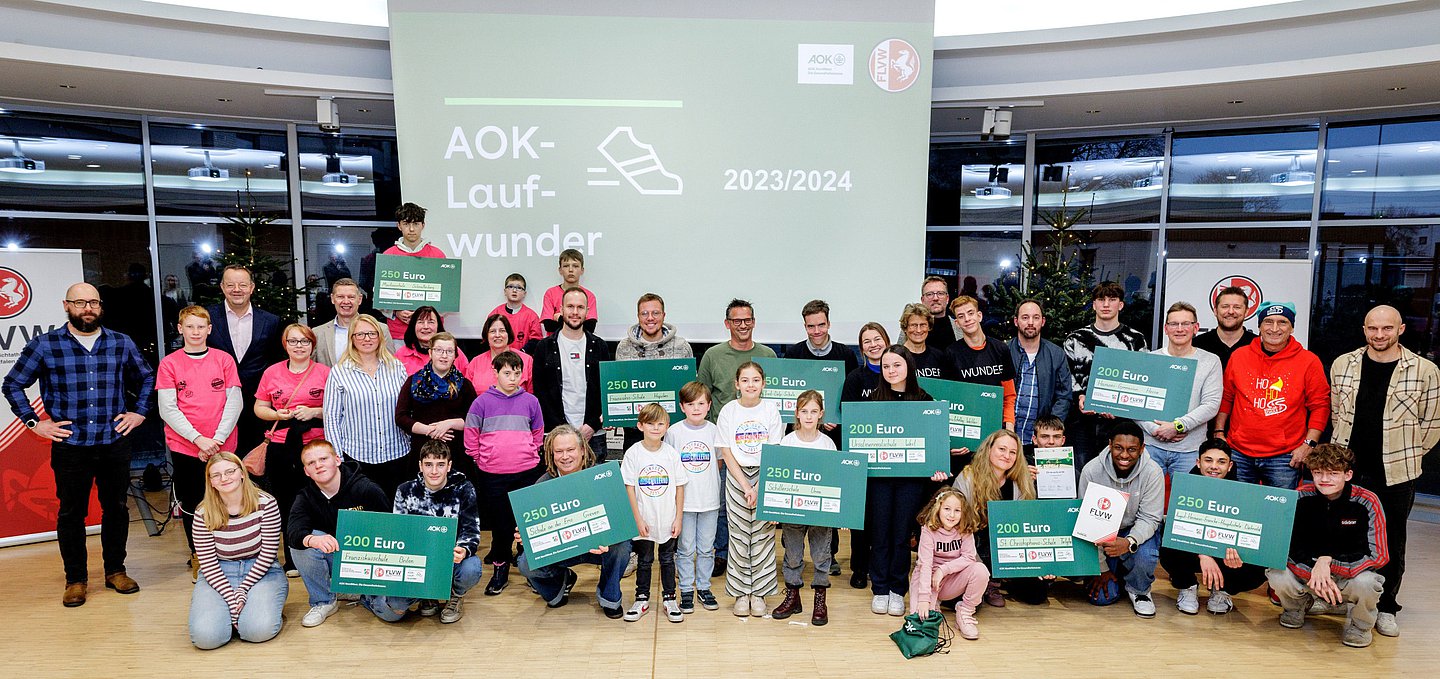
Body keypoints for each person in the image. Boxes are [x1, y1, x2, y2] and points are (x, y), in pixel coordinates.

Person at [3, 282, 153, 606]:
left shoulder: (120, 343)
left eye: (94, 303)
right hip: (71, 445)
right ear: (66, 305)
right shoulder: (46, 345)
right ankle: (76, 579)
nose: (88, 308)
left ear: (100, 307)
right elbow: (13, 384)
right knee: (72, 513)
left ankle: (116, 570)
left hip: (114, 442)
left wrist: (139, 412)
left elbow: (147, 378)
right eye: (80, 302)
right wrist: (34, 423)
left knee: (116, 509)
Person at [1328, 304, 1439, 636]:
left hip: (1397, 473)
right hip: (1348, 469)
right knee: (1342, 531)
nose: (1379, 335)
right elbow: (1337, 414)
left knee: (1391, 541)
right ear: (1364, 329)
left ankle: (1386, 607)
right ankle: (1337, 596)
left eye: (1387, 329)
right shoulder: (1343, 364)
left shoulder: (1425, 370)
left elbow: (1432, 424)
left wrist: (1406, 454)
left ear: (1400, 329)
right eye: (1373, 329)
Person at [1267, 443, 1389, 648]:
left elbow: (1379, 555)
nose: (1324, 480)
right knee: (1277, 572)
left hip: (1349, 574)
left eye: (1333, 473)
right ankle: (1296, 607)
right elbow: (1286, 547)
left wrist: (1329, 564)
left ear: (1348, 475)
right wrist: (1315, 569)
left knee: (1368, 582)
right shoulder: (1300, 497)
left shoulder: (1368, 501)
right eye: (1318, 473)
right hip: (1309, 573)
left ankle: (1360, 626)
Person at [157, 305, 243, 577]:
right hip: (186, 447)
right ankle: (200, 557)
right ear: (180, 329)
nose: (195, 332)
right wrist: (197, 439)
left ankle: (232, 552)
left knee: (229, 498)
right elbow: (168, 408)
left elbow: (235, 401)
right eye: (189, 327)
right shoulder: (169, 364)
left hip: (223, 446)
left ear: (209, 329)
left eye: (200, 327)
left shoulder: (223, 360)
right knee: (194, 501)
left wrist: (216, 439)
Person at [867, 345, 951, 617]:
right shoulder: (872, 402)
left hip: (911, 481)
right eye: (886, 366)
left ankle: (896, 590)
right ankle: (879, 588)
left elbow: (935, 445)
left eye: (897, 365)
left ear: (908, 367)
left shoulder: (925, 401)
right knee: (880, 534)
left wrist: (937, 468)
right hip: (879, 478)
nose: (891, 370)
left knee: (902, 536)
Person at [517, 426, 633, 618]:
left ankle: (609, 596)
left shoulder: (603, 477)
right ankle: (558, 586)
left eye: (570, 450)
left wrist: (607, 536)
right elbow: (536, 530)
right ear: (551, 454)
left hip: (600, 547)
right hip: (563, 550)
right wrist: (527, 537)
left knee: (621, 546)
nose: (565, 456)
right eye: (559, 451)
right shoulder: (541, 486)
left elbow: (620, 520)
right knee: (526, 562)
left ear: (582, 450)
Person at [362, 440, 483, 624]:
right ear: (420, 466)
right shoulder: (405, 490)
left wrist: (464, 549)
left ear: (449, 466)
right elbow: (399, 533)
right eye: (428, 465)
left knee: (472, 568)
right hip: (417, 563)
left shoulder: (464, 489)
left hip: (450, 560)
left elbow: (471, 530)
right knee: (394, 607)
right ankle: (426, 595)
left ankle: (455, 596)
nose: (434, 471)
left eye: (440, 464)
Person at [1215, 302, 1330, 490]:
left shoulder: (1308, 361)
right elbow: (1227, 397)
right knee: (1238, 511)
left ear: (1291, 327)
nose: (1274, 328)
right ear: (1259, 326)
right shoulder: (1239, 356)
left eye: (1282, 322)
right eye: (1268, 322)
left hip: (1284, 457)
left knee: (1279, 514)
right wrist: (1219, 433)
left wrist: (1309, 444)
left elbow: (1320, 405)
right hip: (1239, 452)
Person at [464, 349, 545, 596]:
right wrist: (481, 459)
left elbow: (538, 432)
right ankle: (500, 569)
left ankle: (531, 568)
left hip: (527, 472)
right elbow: (471, 434)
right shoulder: (481, 402)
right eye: (507, 373)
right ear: (495, 373)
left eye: (517, 373)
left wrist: (531, 451)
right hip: (493, 474)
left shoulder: (531, 401)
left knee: (527, 523)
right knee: (501, 525)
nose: (512, 378)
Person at [187, 451, 286, 649]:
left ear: (242, 473)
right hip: (218, 572)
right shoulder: (202, 512)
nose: (224, 478)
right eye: (216, 475)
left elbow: (268, 554)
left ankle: (256, 610)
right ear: (211, 482)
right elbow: (207, 564)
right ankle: (234, 613)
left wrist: (242, 589)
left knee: (257, 631)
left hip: (261, 570)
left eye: (230, 471)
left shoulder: (266, 503)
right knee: (206, 639)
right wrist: (232, 601)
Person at [287, 439, 391, 628]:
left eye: (323, 459)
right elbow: (293, 532)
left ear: (337, 460)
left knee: (391, 612)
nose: (318, 466)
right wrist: (313, 539)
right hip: (336, 557)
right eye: (311, 463)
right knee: (302, 544)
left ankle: (358, 591)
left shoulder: (366, 489)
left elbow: (390, 529)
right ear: (306, 471)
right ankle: (324, 601)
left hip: (369, 561)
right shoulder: (305, 497)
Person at [254, 323, 330, 577]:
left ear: (312, 345)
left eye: (305, 341)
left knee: (319, 499)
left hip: (315, 444)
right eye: (294, 341)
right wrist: (277, 413)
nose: (299, 346)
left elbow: (337, 408)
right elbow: (259, 407)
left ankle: (324, 555)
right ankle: (293, 557)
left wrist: (314, 411)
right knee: (286, 501)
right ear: (285, 345)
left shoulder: (325, 372)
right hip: (281, 446)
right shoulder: (272, 373)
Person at [1157, 439, 1267, 615]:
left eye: (1221, 462)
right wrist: (1203, 553)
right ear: (1198, 462)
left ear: (1230, 466)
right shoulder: (1185, 486)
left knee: (1258, 565)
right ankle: (1187, 586)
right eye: (1208, 460)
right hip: (1192, 553)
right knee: (1166, 540)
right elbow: (1177, 529)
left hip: (1226, 556)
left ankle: (1223, 591)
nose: (1214, 466)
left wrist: (1237, 550)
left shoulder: (1244, 492)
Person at [1078, 420, 1166, 618]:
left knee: (1145, 555)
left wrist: (1129, 542)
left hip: (1134, 531)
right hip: (1102, 533)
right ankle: (1114, 573)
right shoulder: (1092, 470)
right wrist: (1101, 569)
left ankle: (1139, 590)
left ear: (1142, 448)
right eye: (1118, 448)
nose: (1125, 455)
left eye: (1132, 449)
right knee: (1101, 598)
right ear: (1109, 445)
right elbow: (1087, 523)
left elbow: (1151, 518)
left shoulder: (1153, 472)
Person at [951, 429, 1048, 608]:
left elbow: (1027, 525)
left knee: (1037, 593)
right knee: (966, 600)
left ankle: (1003, 579)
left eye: (1013, 452)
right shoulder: (968, 477)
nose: (1007, 456)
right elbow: (957, 527)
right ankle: (987, 581)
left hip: (1007, 547)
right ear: (989, 450)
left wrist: (1039, 562)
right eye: (1002, 449)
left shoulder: (1021, 481)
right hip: (972, 544)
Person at [717, 361, 784, 617]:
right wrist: (745, 485)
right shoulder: (728, 411)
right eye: (745, 380)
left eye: (755, 380)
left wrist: (760, 485)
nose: (750, 385)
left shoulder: (771, 410)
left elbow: (774, 450)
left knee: (764, 535)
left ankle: (760, 593)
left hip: (765, 474)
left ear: (763, 383)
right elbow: (726, 450)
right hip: (736, 477)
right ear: (737, 384)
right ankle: (741, 593)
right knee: (739, 535)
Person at [321, 314, 412, 495]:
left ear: (380, 337)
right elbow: (331, 417)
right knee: (365, 517)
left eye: (372, 334)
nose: (367, 339)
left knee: (395, 513)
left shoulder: (397, 368)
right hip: (357, 458)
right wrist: (338, 457)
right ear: (352, 339)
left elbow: (407, 409)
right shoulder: (339, 372)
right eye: (360, 335)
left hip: (397, 454)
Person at [1064, 280, 1148, 470]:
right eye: (1101, 299)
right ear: (1094, 305)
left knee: (1116, 475)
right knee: (1083, 473)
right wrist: (1080, 397)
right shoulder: (1075, 339)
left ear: (1121, 304)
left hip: (1121, 423)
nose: (1106, 304)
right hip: (1083, 422)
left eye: (1112, 299)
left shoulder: (1135, 340)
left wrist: (1119, 405)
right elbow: (1068, 377)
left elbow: (1141, 380)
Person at [772, 390, 837, 625]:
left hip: (819, 512)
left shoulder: (827, 443)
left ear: (821, 414)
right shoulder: (787, 441)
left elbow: (835, 479)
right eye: (804, 411)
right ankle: (793, 595)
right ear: (796, 414)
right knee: (792, 554)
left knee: (821, 554)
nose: (808, 416)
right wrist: (775, 511)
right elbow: (778, 477)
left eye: (813, 411)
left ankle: (820, 599)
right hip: (793, 510)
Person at [1138, 302, 1223, 478]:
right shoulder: (1149, 360)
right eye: (1174, 324)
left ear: (1196, 328)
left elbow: (1211, 404)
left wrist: (1178, 426)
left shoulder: (1210, 361)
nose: (1179, 329)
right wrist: (1154, 429)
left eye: (1186, 324)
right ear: (1165, 328)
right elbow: (1135, 402)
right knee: (1146, 502)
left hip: (1190, 450)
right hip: (1151, 446)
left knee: (1186, 503)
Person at [621, 403, 687, 623]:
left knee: (668, 559)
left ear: (667, 426)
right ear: (640, 426)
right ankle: (641, 599)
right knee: (645, 559)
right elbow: (629, 488)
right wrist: (636, 519)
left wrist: (678, 518)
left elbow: (679, 486)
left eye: (660, 424)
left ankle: (670, 598)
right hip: (644, 520)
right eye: (650, 424)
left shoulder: (671, 454)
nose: (656, 428)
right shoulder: (633, 454)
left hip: (667, 518)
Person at [839, 322, 890, 590]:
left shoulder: (897, 374)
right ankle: (859, 567)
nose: (873, 345)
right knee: (863, 516)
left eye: (877, 339)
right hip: (862, 458)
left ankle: (880, 566)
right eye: (867, 341)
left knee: (885, 516)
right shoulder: (856, 379)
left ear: (887, 341)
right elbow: (846, 416)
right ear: (861, 349)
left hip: (893, 457)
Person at [664, 381, 722, 615]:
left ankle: (704, 588)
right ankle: (686, 589)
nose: (696, 408)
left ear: (709, 405)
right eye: (691, 404)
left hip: (709, 500)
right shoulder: (674, 433)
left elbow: (719, 461)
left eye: (701, 403)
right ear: (682, 406)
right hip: (684, 503)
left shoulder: (715, 430)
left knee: (707, 548)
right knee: (686, 548)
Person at [532, 287, 611, 457]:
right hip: (555, 436)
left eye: (580, 307)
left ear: (587, 312)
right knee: (556, 483)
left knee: (594, 483)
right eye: (570, 306)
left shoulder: (600, 346)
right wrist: (563, 431)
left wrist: (591, 425)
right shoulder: (543, 347)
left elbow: (606, 390)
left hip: (593, 436)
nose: (575, 312)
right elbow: (540, 393)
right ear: (561, 309)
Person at [943, 295, 1017, 467]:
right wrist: (951, 440)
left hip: (996, 434)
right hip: (966, 438)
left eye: (970, 313)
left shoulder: (1000, 349)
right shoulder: (951, 354)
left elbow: (1009, 395)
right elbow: (949, 401)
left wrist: (1009, 428)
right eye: (961, 316)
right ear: (957, 324)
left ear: (979, 316)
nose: (967, 319)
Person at [396, 332, 479, 481]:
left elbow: (476, 420)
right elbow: (401, 417)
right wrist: (430, 430)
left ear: (455, 355)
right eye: (439, 350)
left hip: (456, 454)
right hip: (422, 452)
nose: (444, 355)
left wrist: (449, 424)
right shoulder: (414, 382)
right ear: (430, 352)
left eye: (449, 351)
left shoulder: (465, 385)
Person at [909, 488, 989, 641]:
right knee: (920, 622)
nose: (952, 515)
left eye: (957, 510)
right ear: (938, 508)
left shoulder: (964, 529)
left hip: (950, 579)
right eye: (947, 509)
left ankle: (965, 612)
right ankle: (934, 603)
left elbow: (969, 557)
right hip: (928, 580)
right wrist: (924, 600)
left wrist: (943, 569)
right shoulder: (928, 529)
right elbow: (925, 565)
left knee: (980, 570)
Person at [615, 293, 694, 449]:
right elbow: (619, 386)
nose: (650, 318)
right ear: (638, 316)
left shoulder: (681, 346)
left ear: (663, 315)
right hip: (635, 431)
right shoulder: (624, 347)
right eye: (644, 313)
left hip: (673, 429)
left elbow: (690, 389)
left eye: (655, 313)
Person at [698, 299, 778, 421]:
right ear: (727, 324)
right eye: (737, 321)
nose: (743, 325)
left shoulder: (768, 355)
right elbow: (701, 397)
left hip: (760, 430)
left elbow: (775, 397)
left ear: (753, 322)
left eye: (747, 320)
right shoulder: (712, 355)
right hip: (721, 432)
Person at [1008, 299, 1073, 449]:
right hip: (1008, 437)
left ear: (1042, 321)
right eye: (1025, 317)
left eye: (1036, 317)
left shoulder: (1056, 354)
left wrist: (1049, 431)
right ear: (1016, 321)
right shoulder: (1004, 351)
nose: (1030, 322)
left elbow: (1064, 396)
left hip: (1041, 442)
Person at [381, 202, 448, 340]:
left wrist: (422, 315)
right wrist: (395, 311)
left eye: (416, 224)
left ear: (423, 225)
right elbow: (380, 295)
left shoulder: (437, 255)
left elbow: (447, 296)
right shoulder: (388, 256)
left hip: (431, 334)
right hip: (398, 334)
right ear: (399, 226)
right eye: (406, 224)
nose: (411, 229)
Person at [310, 278, 392, 367]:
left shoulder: (381, 330)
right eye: (340, 297)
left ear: (359, 299)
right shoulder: (318, 333)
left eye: (351, 297)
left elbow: (390, 364)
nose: (346, 301)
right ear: (333, 299)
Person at [785, 299, 860, 376]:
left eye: (821, 325)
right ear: (805, 327)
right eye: (811, 326)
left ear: (828, 324)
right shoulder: (792, 355)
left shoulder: (846, 354)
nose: (816, 331)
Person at [465, 313, 536, 394]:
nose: (497, 335)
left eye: (502, 331)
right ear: (486, 335)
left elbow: (533, 396)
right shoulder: (475, 362)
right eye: (492, 331)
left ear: (508, 334)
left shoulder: (527, 360)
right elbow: (467, 396)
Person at [1193, 286, 1259, 370]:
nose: (1231, 311)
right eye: (1225, 306)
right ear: (1215, 311)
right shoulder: (1197, 345)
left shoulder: (1258, 346)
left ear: (1246, 311)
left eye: (1237, 307)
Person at [394, 305, 470, 376]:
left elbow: (466, 380)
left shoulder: (453, 351)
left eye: (431, 322)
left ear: (438, 326)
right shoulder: (401, 354)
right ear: (413, 326)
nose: (426, 327)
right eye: (421, 322)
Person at [540, 248, 598, 334]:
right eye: (566, 266)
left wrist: (560, 318)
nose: (570, 270)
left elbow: (590, 327)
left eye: (575, 266)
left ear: (582, 270)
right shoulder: (550, 293)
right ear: (560, 270)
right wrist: (577, 321)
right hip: (555, 343)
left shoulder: (589, 296)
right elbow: (549, 326)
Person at [488, 273, 545, 352]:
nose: (514, 290)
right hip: (499, 358)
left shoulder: (532, 316)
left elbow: (536, 340)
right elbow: (488, 338)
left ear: (524, 293)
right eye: (510, 287)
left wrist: (522, 352)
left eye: (519, 288)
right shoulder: (495, 314)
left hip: (522, 359)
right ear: (505, 291)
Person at [900, 303, 945, 379]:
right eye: (913, 325)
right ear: (905, 328)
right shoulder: (897, 356)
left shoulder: (939, 356)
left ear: (929, 327)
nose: (918, 330)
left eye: (923, 325)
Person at [921, 275, 957, 351]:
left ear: (947, 298)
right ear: (922, 300)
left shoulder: (959, 327)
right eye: (930, 294)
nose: (935, 298)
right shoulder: (912, 328)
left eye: (940, 293)